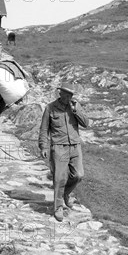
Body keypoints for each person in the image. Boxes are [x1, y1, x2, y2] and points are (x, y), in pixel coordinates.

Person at [38, 83, 89, 222]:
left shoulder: (75, 106)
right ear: (60, 94)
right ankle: (58, 207)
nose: (69, 97)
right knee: (59, 178)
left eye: (71, 95)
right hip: (59, 147)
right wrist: (43, 146)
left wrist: (76, 110)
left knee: (78, 175)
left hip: (75, 145)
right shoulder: (50, 108)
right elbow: (43, 129)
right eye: (66, 94)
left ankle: (65, 193)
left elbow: (86, 123)